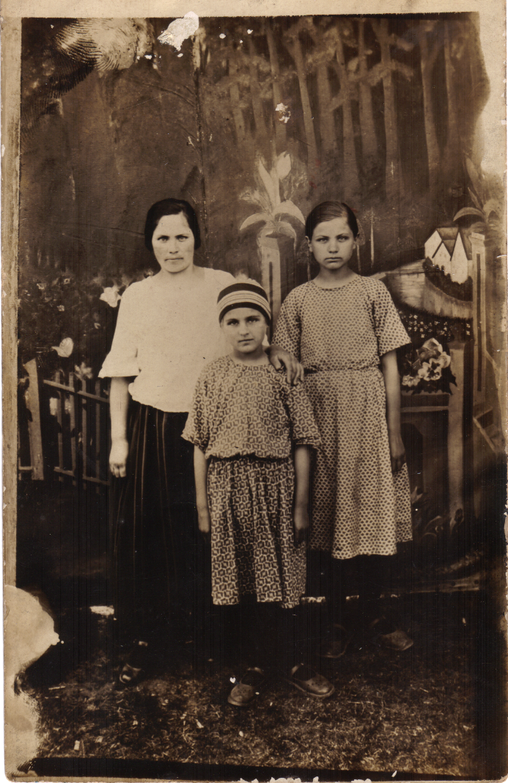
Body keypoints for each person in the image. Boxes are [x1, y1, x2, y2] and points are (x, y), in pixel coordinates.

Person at [99, 199, 299, 685]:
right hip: (154, 426)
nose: (173, 248)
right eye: (163, 238)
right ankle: (152, 640)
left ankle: (218, 637)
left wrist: (276, 350)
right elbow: (121, 374)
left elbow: (250, 328)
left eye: (182, 236)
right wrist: (119, 440)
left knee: (215, 529)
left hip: (219, 425)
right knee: (151, 535)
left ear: (196, 239)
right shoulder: (138, 296)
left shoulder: (218, 284)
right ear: (150, 243)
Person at [182, 281, 334, 706]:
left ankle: (293, 662)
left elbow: (304, 441)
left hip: (277, 489)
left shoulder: (283, 373)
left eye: (253, 319)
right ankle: (252, 667)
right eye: (233, 322)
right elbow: (199, 443)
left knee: (283, 580)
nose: (244, 329)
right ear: (221, 327)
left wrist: (300, 505)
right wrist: (203, 506)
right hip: (227, 491)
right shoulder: (212, 375)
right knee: (242, 581)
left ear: (267, 324)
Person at [273, 201, 414, 657]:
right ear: (308, 246)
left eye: (341, 237)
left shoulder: (373, 292)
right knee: (328, 514)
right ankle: (334, 619)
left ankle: (374, 614)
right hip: (318, 416)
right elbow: (282, 360)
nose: (332, 247)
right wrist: (284, 360)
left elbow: (390, 366)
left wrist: (394, 432)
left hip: (368, 414)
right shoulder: (298, 300)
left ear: (356, 240)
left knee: (369, 510)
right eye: (323, 239)